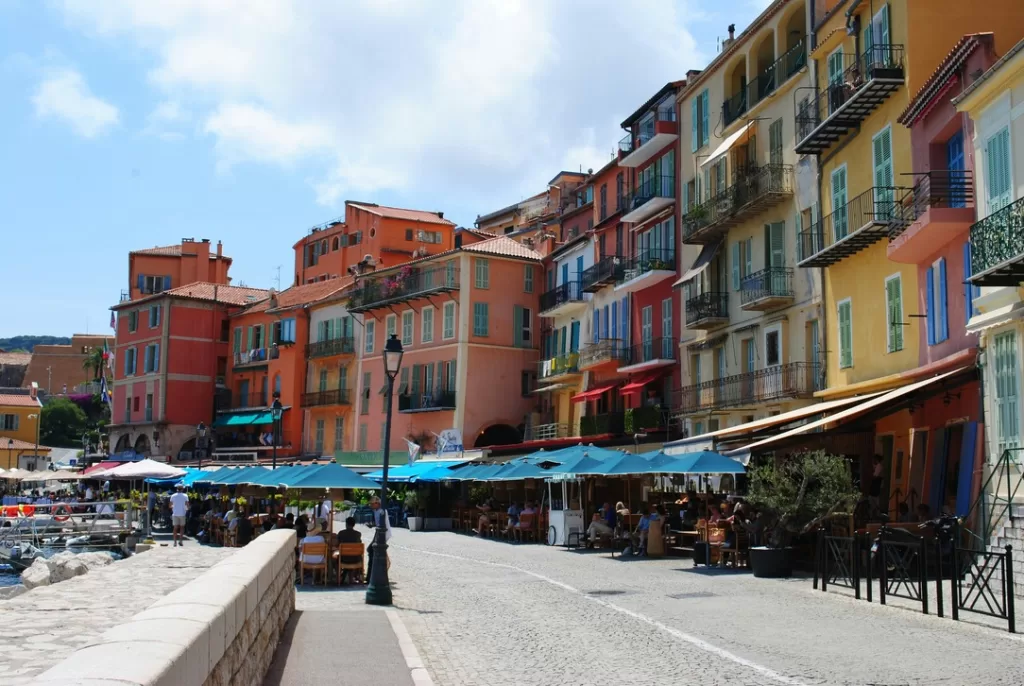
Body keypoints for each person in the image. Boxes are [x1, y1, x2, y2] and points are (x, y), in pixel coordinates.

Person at [366, 496, 392, 582]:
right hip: (378, 532)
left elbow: (382, 524)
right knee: (371, 550)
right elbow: (377, 523)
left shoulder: (382, 511)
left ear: (377, 504)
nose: (371, 506)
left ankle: (372, 574)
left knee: (372, 550)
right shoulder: (375, 511)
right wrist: (372, 525)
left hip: (383, 533)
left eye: (372, 504)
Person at [337, 516, 363, 583]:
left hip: (343, 559)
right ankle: (355, 576)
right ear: (354, 525)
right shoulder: (358, 534)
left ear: (346, 524)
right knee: (358, 555)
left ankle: (338, 576)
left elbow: (337, 544)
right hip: (356, 559)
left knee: (334, 559)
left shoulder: (341, 533)